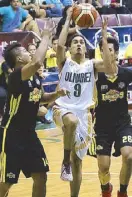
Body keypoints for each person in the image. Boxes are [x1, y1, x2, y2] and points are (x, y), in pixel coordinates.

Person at [53, 6, 116, 197]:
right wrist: (67, 22)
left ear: (85, 48)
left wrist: (104, 37)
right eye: (75, 43)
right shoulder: (64, 62)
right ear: (70, 49)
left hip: (84, 116)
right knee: (70, 122)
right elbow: (59, 46)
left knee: (78, 162)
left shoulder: (92, 65)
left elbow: (110, 67)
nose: (78, 44)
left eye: (81, 42)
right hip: (62, 109)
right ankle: (64, 162)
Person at [0, 20, 68, 197]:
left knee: (40, 175)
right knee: (5, 183)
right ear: (19, 58)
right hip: (11, 135)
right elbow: (38, 61)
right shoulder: (15, 76)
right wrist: (45, 37)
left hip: (29, 134)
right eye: (24, 51)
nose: (29, 53)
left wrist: (56, 94)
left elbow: (40, 98)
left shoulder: (35, 79)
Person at [95, 28, 132, 197]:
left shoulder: (126, 73)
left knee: (129, 157)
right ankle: (105, 188)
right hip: (102, 126)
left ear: (116, 53)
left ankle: (122, 191)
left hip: (123, 123)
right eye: (103, 50)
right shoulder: (95, 75)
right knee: (103, 166)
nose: (107, 54)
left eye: (109, 50)